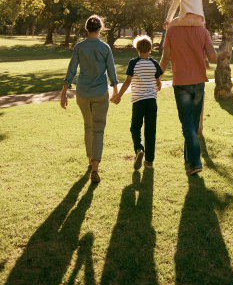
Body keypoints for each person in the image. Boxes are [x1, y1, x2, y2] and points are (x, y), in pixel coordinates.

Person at [61, 15, 119, 183]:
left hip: (83, 92)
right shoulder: (105, 47)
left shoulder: (79, 47)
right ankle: (95, 166)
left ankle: (90, 160)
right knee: (98, 129)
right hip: (100, 92)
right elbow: (111, 71)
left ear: (86, 29)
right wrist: (116, 91)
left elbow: (71, 69)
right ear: (100, 29)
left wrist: (64, 92)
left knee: (88, 126)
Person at [159, 25, 224, 175]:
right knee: (193, 122)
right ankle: (189, 162)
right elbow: (213, 57)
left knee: (186, 122)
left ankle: (195, 162)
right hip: (199, 82)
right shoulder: (202, 30)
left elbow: (165, 57)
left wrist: (159, 77)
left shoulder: (172, 30)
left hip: (181, 82)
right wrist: (223, 52)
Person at [112, 35, 162, 170]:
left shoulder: (133, 62)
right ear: (150, 49)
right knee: (151, 130)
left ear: (137, 49)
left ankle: (139, 149)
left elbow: (128, 81)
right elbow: (158, 82)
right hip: (151, 101)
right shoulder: (154, 63)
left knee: (135, 127)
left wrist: (119, 96)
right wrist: (157, 85)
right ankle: (149, 161)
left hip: (138, 101)